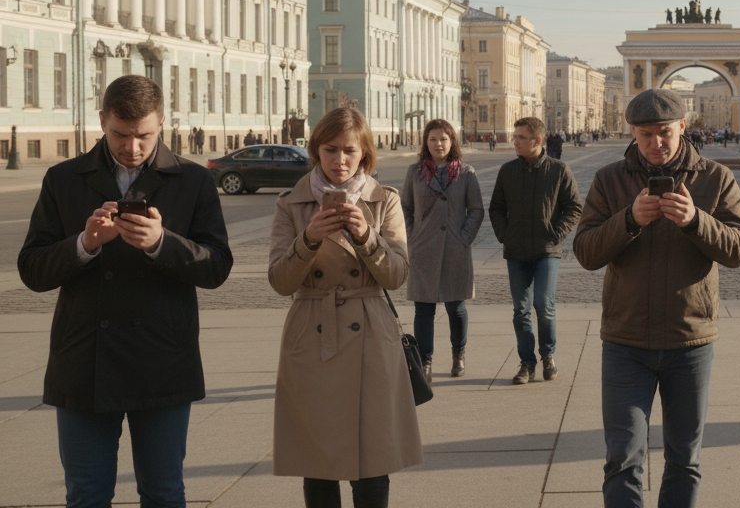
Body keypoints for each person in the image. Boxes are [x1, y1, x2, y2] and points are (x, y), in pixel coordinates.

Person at [18, 75, 232, 507]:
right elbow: (33, 269)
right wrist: (85, 244)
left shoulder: (192, 180)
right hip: (84, 359)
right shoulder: (64, 178)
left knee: (164, 491)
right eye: (120, 134)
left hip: (163, 359)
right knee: (86, 493)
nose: (132, 147)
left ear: (162, 124)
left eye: (144, 136)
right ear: (102, 121)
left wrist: (160, 242)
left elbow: (217, 267)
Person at [574, 89, 740, 508]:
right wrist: (628, 220)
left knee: (684, 459)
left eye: (665, 132)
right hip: (625, 341)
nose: (657, 143)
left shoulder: (715, 178)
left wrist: (696, 222)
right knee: (622, 458)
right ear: (632, 134)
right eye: (646, 134)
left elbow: (739, 249)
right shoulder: (609, 180)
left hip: (689, 341)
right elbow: (586, 252)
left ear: (683, 128)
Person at [268, 107, 421, 507]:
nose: (340, 160)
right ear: (316, 150)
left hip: (370, 335)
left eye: (350, 151)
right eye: (330, 149)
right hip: (312, 334)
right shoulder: (291, 204)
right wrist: (309, 240)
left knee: (372, 461)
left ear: (365, 154)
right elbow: (280, 282)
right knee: (316, 461)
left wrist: (366, 236)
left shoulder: (384, 200)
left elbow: (397, 275)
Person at [490, 117, 583, 384]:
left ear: (537, 141)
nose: (515, 141)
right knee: (521, 309)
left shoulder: (558, 170)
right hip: (516, 250)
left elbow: (574, 206)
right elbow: (496, 207)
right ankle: (526, 363)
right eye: (515, 136)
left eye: (521, 137)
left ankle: (548, 354)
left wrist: (557, 233)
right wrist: (504, 234)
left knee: (544, 304)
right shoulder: (507, 171)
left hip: (547, 249)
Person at [402, 119, 484, 380]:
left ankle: (458, 354)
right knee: (423, 310)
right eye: (433, 139)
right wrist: (412, 235)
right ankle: (424, 361)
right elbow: (404, 207)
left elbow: (476, 210)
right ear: (426, 142)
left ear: (452, 142)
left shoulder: (466, 172)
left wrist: (464, 238)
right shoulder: (414, 172)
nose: (439, 144)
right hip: (423, 248)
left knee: (456, 307)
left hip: (454, 247)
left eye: (444, 139)